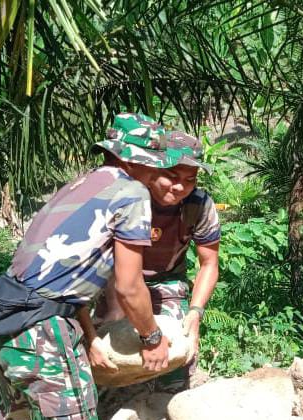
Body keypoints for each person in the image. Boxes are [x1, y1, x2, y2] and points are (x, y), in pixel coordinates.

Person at [0, 113, 190, 420]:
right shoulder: (131, 193)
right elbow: (129, 286)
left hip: (7, 322)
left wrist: (91, 336)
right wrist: (152, 338)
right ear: (139, 158)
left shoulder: (80, 185)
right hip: (45, 333)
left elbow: (63, 275)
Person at [91, 130, 220, 393]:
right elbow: (108, 264)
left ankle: (168, 402)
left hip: (167, 282)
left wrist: (195, 313)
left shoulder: (199, 205)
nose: (180, 187)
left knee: (178, 354)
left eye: (190, 180)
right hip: (116, 281)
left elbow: (209, 263)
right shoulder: (128, 198)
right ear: (152, 169)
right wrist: (117, 311)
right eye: (172, 176)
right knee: (107, 357)